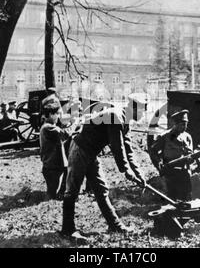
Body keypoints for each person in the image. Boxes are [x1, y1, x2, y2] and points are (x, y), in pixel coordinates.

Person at [60, 94, 147, 241]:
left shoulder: (124, 122)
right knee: (72, 191)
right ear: (134, 108)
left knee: (101, 189)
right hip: (80, 148)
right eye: (142, 110)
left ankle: (114, 225)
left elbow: (128, 150)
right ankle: (68, 230)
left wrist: (139, 174)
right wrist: (126, 171)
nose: (144, 114)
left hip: (91, 153)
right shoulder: (116, 116)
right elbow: (117, 148)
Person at [149, 110, 194, 201]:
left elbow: (190, 153)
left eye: (186, 124)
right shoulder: (165, 136)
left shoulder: (187, 137)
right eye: (182, 124)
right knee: (172, 197)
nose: (184, 127)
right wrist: (159, 165)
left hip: (185, 172)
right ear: (175, 124)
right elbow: (153, 151)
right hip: (171, 172)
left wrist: (191, 159)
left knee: (187, 198)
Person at [40, 97, 75, 200]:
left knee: (67, 174)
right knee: (52, 194)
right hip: (52, 166)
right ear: (51, 114)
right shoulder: (48, 127)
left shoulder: (49, 126)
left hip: (55, 164)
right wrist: (76, 123)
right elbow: (65, 134)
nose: (59, 117)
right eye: (57, 114)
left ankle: (60, 195)